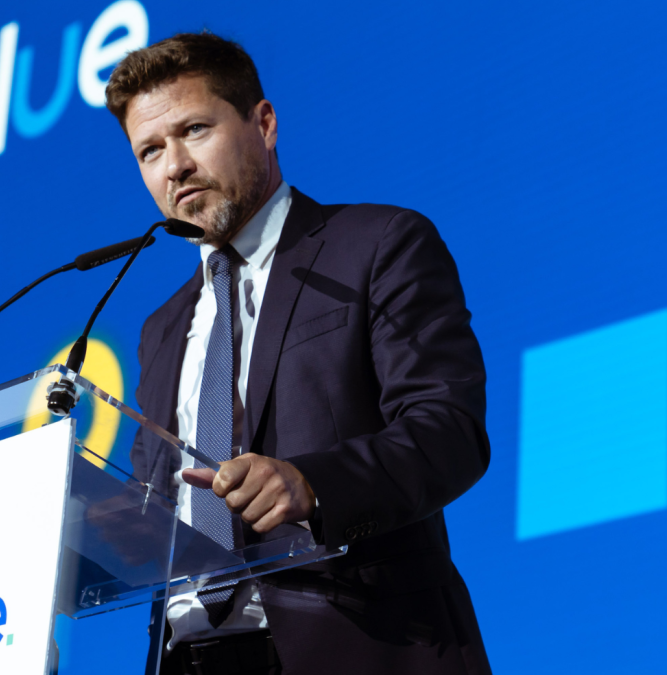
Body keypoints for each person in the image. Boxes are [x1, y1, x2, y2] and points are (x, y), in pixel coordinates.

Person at [106, 32, 492, 675]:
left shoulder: (375, 246)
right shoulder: (161, 329)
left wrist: (314, 483)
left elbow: (448, 431)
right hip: (190, 658)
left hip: (361, 643)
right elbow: (157, 505)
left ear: (264, 123)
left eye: (194, 130)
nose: (173, 166)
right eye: (150, 150)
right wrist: (112, 525)